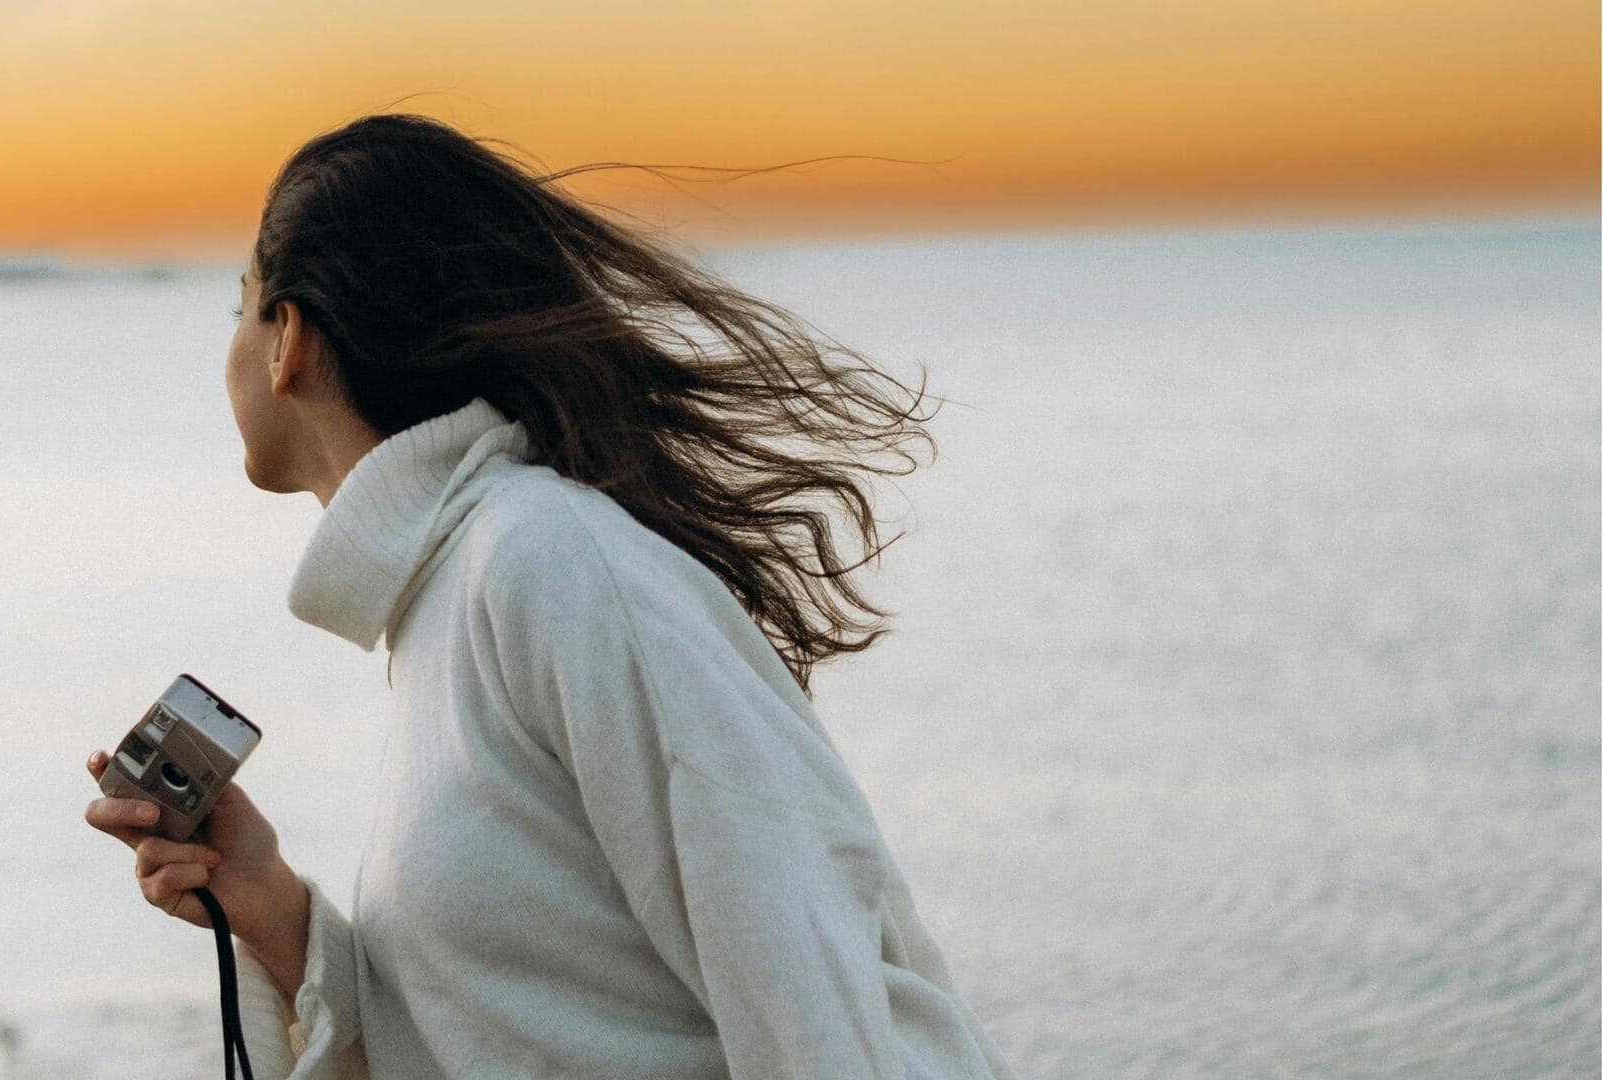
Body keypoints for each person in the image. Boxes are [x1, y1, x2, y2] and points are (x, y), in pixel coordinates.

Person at [83, 112, 1020, 1079]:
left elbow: (804, 986)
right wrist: (271, 909)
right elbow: (506, 1033)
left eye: (239, 307)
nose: (232, 344)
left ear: (290, 342)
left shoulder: (549, 561)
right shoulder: (448, 602)